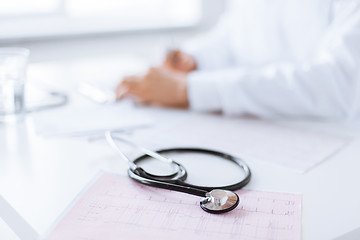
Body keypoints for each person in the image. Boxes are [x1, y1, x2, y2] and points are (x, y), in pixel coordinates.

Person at [116, 0, 360, 120]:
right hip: (263, 127)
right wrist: (193, 60)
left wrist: (187, 89)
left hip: (334, 141)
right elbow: (232, 37)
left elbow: (339, 85)